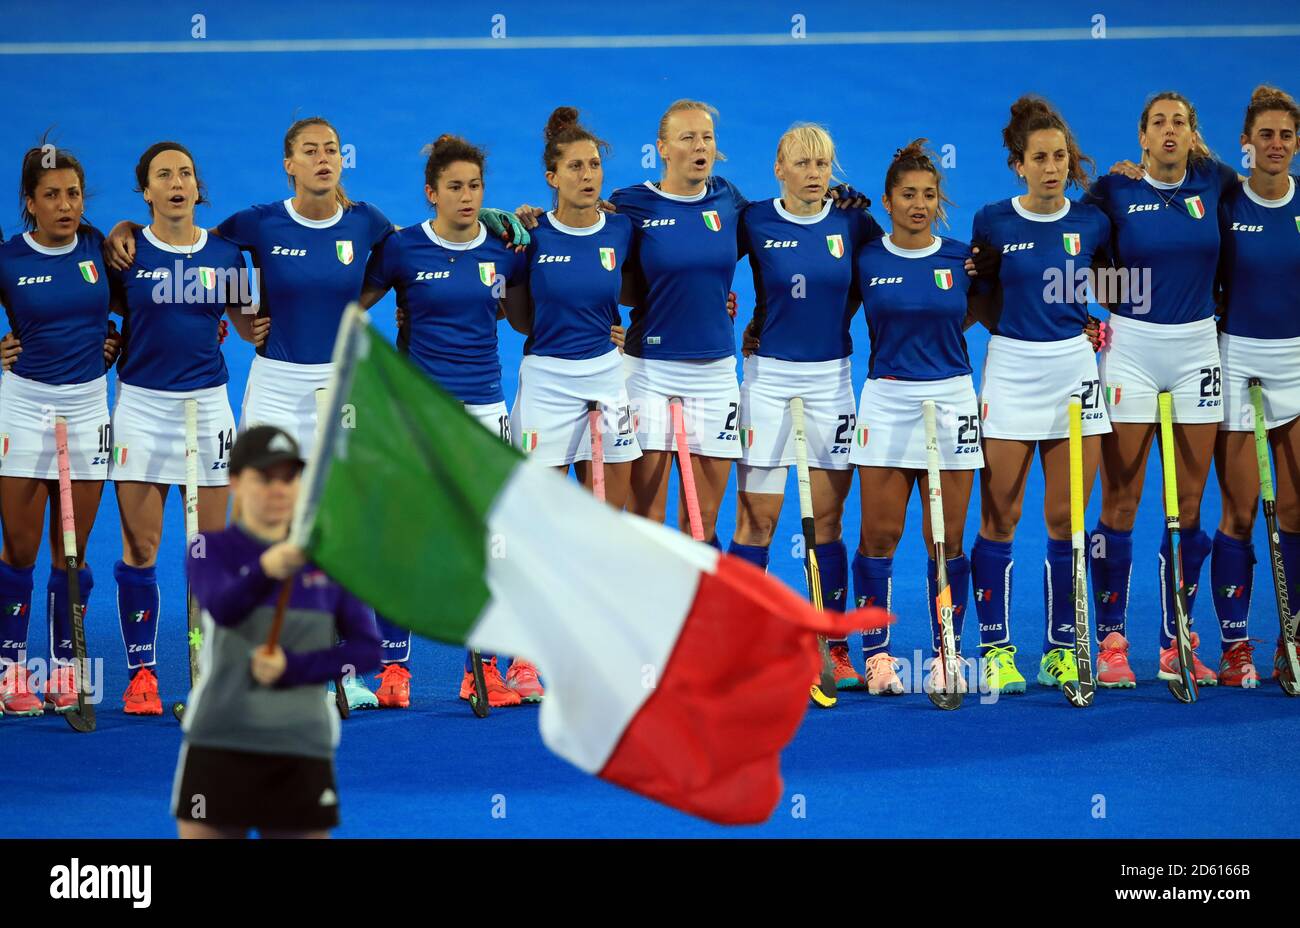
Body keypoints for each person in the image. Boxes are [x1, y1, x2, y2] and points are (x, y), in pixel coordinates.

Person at [361, 134, 532, 708]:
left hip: (486, 407)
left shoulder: (506, 250)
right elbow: (348, 303)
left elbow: (529, 319)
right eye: (454, 187)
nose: (466, 196)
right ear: (431, 192)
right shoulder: (402, 249)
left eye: (475, 186)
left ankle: (479, 668)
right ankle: (394, 670)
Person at [105, 141, 266, 715]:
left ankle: (212, 669)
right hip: (143, 410)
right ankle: (142, 676)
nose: (177, 182)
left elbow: (248, 326)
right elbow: (92, 312)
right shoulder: (123, 253)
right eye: (163, 175)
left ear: (198, 188)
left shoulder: (224, 255)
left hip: (209, 410)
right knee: (142, 546)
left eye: (186, 174)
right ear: (145, 191)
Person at [1085, 92, 1239, 686]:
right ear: (1142, 138)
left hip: (1199, 348)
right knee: (1120, 500)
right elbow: (1078, 249)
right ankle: (1112, 639)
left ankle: (1177, 638)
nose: (1170, 131)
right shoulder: (1113, 190)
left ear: (1193, 134)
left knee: (1190, 507)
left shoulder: (1214, 181)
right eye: (1158, 123)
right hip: (1131, 352)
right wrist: (1115, 304)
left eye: (1180, 122)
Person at [967, 97, 1114, 693]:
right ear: (1018, 165)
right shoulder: (993, 222)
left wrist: (1101, 325)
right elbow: (980, 297)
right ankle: (996, 648)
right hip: (1011, 371)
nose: (1051, 167)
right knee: (1000, 514)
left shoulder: (1093, 222)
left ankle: (1059, 647)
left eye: (1060, 157)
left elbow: (1120, 285)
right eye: (1039, 158)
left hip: (1075, 374)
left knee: (1066, 519)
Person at [731, 122, 882, 690]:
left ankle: (835, 645)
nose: (815, 175)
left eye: (823, 165)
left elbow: (888, 287)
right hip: (768, 381)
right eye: (803, 164)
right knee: (758, 520)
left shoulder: (853, 221)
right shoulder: (755, 220)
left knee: (827, 522)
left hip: (833, 383)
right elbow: (698, 264)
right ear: (779, 168)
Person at [172, 425, 379, 838]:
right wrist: (267, 570)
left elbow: (366, 652)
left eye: (289, 477)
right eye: (265, 478)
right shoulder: (210, 550)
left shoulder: (328, 558)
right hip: (219, 741)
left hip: (301, 744)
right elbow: (225, 608)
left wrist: (296, 668)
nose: (279, 489)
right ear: (234, 483)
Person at [848, 140, 981, 696]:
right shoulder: (867, 258)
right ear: (887, 200)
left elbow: (994, 313)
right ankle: (878, 657)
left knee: (944, 538)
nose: (920, 204)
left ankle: (946, 653)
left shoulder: (963, 259)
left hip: (952, 399)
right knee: (879, 534)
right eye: (908, 195)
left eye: (929, 194)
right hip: (886, 400)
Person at [0, 144, 114, 716]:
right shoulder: (7, 259)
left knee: (72, 550)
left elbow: (140, 307)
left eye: (73, 194)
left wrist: (120, 342)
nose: (65, 205)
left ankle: (65, 667)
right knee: (19, 550)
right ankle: (9, 667)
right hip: (23, 409)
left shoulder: (102, 248)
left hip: (90, 410)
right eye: (52, 196)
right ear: (30, 203)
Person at [504, 107, 639, 507]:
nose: (587, 175)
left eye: (594, 165)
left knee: (608, 519)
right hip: (546, 383)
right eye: (576, 166)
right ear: (553, 177)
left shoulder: (620, 228)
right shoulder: (530, 234)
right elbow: (519, 320)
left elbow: (640, 292)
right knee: (539, 516)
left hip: (607, 378)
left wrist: (636, 329)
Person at [1210, 84, 1300, 686]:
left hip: (1296, 362)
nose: (1275, 144)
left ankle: (1292, 637)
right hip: (1236, 358)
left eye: (1286, 135)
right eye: (1264, 135)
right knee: (1239, 511)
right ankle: (1236, 645)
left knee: (1294, 510)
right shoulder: (1222, 202)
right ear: (1246, 145)